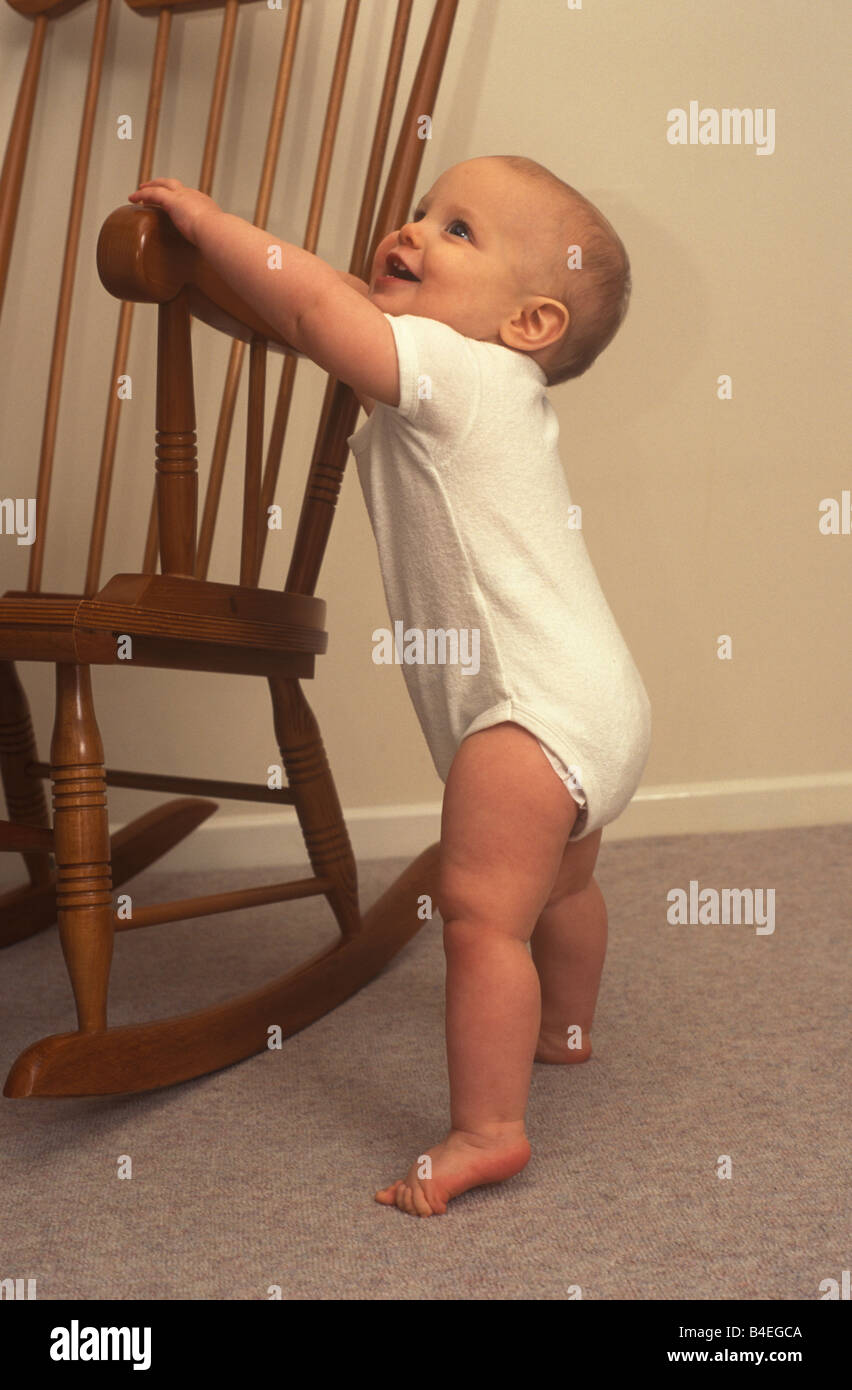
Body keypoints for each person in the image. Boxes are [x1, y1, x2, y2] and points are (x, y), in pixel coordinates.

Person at [129, 154, 651, 1218]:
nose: (410, 232)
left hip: (528, 718)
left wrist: (216, 223)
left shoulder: (455, 370)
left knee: (480, 917)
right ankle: (567, 1026)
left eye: (457, 232)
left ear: (531, 324)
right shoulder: (494, 388)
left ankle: (486, 1129)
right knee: (564, 886)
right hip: (601, 702)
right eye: (422, 213)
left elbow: (320, 309)